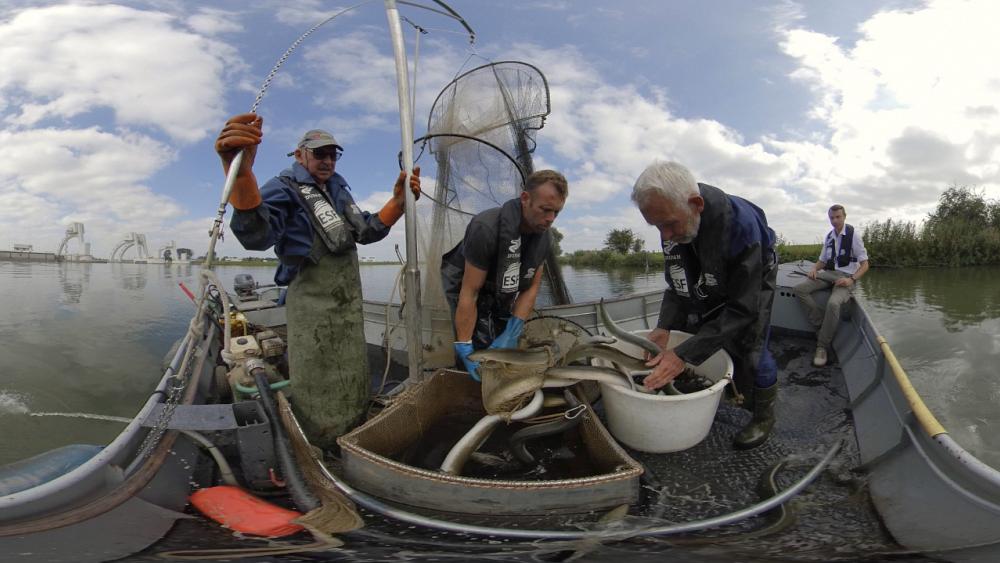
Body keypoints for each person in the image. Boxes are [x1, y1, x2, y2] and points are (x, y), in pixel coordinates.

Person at [214, 112, 420, 451]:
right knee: (318, 377)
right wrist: (241, 176)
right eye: (319, 153)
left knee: (351, 368)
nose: (326, 160)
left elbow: (365, 230)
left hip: (347, 303)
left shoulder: (337, 187)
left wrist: (397, 203)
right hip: (311, 305)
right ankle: (320, 438)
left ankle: (354, 424)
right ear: (299, 155)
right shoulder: (284, 187)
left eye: (332, 154)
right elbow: (257, 234)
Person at [633, 161, 778, 450]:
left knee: (751, 346)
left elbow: (743, 307)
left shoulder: (742, 227)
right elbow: (677, 282)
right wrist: (664, 326)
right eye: (656, 226)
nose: (664, 236)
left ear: (696, 204)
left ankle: (764, 417)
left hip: (753, 278)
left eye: (669, 224)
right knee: (693, 328)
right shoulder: (673, 222)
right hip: (708, 271)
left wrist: (683, 354)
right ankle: (725, 390)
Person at [441, 170, 569, 381]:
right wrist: (464, 345)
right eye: (545, 210)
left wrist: (513, 328)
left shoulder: (545, 239)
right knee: (476, 340)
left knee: (502, 336)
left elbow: (531, 288)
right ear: (525, 199)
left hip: (502, 280)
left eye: (556, 212)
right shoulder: (485, 227)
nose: (550, 219)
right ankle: (468, 376)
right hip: (465, 279)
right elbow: (470, 292)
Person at [793, 204, 869, 368]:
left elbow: (865, 265)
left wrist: (852, 280)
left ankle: (822, 346)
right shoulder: (829, 237)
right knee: (800, 289)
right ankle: (821, 324)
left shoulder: (853, 235)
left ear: (844, 217)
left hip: (846, 277)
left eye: (838, 217)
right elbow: (822, 261)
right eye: (832, 218)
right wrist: (814, 268)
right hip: (828, 274)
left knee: (833, 303)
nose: (834, 221)